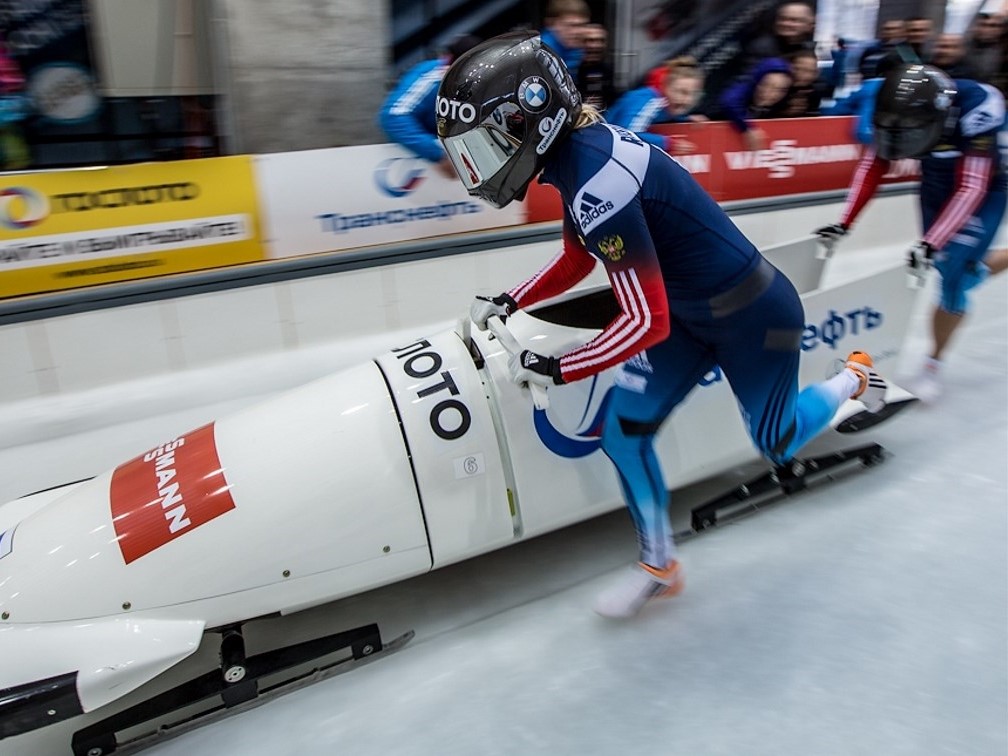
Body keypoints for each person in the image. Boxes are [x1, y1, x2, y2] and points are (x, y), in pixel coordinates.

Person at [437, 31, 890, 619]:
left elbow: (643, 320)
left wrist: (558, 366)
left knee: (774, 442)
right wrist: (509, 300)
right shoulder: (578, 161)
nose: (482, 167)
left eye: (488, 146)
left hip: (754, 316)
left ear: (531, 118)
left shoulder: (597, 177)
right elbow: (580, 260)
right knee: (624, 434)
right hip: (689, 314)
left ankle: (853, 379)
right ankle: (660, 566)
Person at [815, 64, 1007, 403]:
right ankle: (972, 269)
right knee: (954, 267)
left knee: (953, 277)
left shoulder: (979, 109)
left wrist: (930, 242)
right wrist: (844, 222)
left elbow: (972, 187)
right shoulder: (891, 109)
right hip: (937, 177)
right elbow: (873, 164)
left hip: (986, 182)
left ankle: (933, 364)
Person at [378, 34, 481, 179]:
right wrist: (438, 155)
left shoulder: (479, 81)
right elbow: (393, 116)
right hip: (418, 166)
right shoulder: (431, 76)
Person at [605, 56, 707, 153]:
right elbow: (628, 135)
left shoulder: (664, 103)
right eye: (681, 92)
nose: (687, 100)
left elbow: (658, 115)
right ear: (665, 87)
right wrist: (668, 143)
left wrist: (686, 119)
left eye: (692, 94)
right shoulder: (649, 99)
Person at [715, 57, 793, 150]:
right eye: (766, 85)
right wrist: (747, 128)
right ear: (757, 82)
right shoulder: (743, 90)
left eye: (780, 90)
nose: (772, 94)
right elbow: (729, 101)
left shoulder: (786, 102)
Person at [539, 0, 590, 78]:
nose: (578, 32)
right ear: (551, 25)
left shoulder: (577, 50)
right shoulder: (539, 55)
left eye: (582, 25)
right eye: (571, 25)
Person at [576, 23, 617, 110]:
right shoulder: (572, 69)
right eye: (591, 40)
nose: (596, 46)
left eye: (601, 41)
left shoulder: (607, 70)